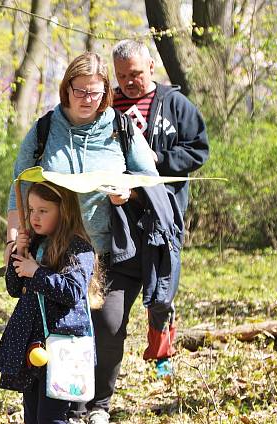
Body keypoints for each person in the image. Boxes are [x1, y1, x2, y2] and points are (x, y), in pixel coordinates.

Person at [5, 52, 161, 424]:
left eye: (96, 92)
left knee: (107, 327)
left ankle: (99, 407)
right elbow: (19, 185)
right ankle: (70, 407)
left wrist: (127, 189)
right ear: (67, 90)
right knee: (66, 329)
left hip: (112, 247)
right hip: (60, 249)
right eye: (81, 91)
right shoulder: (45, 129)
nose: (88, 98)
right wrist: (15, 239)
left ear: (105, 92)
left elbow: (150, 175)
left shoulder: (120, 127)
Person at [0, 180, 98, 424]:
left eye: (43, 211)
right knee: (32, 416)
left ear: (63, 211)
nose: (35, 218)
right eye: (32, 210)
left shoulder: (77, 248)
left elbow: (72, 291)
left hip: (62, 342)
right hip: (32, 343)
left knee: (51, 417)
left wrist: (37, 271)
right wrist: (17, 257)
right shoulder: (35, 243)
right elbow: (14, 288)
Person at [112, 40, 209, 377]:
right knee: (117, 291)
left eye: (135, 74)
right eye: (122, 75)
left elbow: (199, 150)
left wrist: (159, 159)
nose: (128, 82)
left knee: (162, 290)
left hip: (164, 212)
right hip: (120, 213)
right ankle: (109, 358)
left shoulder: (175, 104)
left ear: (151, 67)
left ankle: (161, 349)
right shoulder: (108, 104)